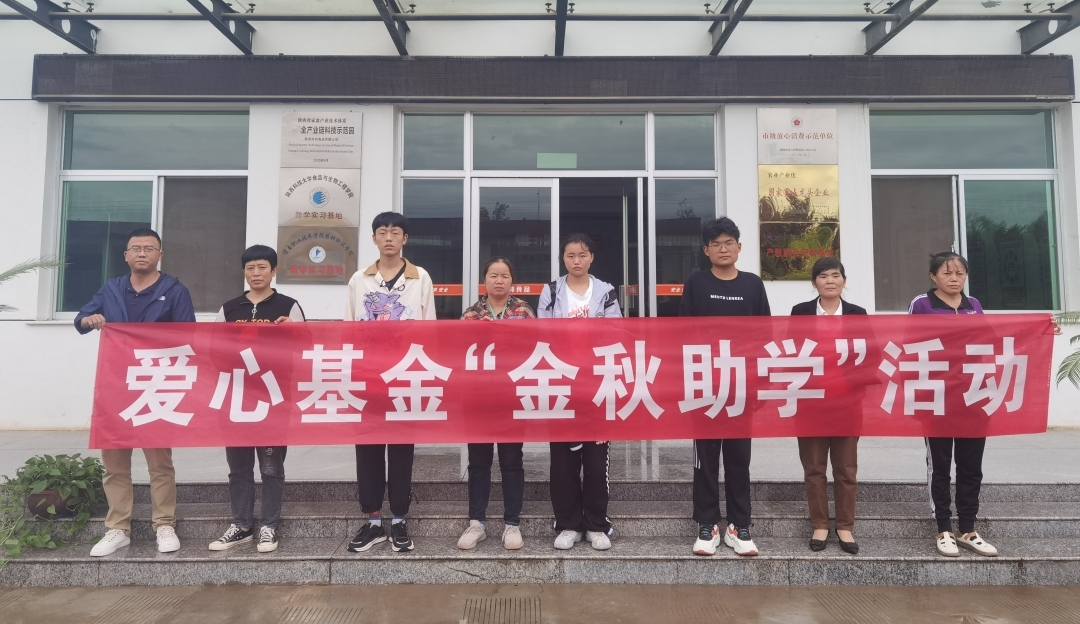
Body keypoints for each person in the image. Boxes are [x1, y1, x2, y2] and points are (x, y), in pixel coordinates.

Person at [74, 228, 195, 557]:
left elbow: (189, 336)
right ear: (126, 255)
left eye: (149, 248)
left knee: (159, 462)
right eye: (136, 248)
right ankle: (118, 528)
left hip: (156, 384)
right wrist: (89, 320)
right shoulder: (112, 288)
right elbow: (81, 318)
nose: (142, 253)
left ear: (160, 255)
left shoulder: (175, 291)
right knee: (114, 461)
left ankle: (164, 524)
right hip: (115, 385)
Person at [344, 212, 436, 554]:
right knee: (367, 447)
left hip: (405, 375)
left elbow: (429, 327)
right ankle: (372, 521)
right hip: (368, 376)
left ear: (404, 239)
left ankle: (398, 519)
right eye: (382, 232)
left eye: (395, 232)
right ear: (374, 239)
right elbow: (348, 327)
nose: (388, 238)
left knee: (401, 449)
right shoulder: (359, 279)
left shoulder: (420, 277)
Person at [680, 217, 769, 558]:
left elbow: (764, 335)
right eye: (715, 244)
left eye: (728, 242)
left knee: (738, 458)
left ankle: (739, 525)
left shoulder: (753, 284)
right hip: (705, 382)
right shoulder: (696, 283)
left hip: (741, 384)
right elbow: (683, 335)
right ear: (706, 251)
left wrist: (760, 382)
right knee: (705, 459)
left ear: (739, 247)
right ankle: (707, 524)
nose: (722, 248)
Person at [208, 244, 305, 554]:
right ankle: (241, 525)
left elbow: (306, 349)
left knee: (271, 466)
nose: (256, 273)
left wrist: (294, 332)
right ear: (244, 272)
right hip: (236, 398)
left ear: (274, 271)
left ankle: (269, 525)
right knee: (238, 466)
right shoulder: (229, 309)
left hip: (273, 399)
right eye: (250, 268)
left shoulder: (288, 306)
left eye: (263, 267)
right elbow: (214, 350)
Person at [909, 251, 997, 558]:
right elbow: (908, 343)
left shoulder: (974, 305)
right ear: (933, 277)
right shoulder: (922, 304)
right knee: (940, 466)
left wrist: (1041, 329)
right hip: (938, 397)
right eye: (947, 273)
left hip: (972, 395)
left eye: (960, 273)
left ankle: (968, 528)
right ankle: (944, 528)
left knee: (971, 466)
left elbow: (992, 341)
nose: (954, 278)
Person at [537, 233, 621, 551]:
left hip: (597, 383)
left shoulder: (606, 292)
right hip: (561, 383)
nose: (576, 261)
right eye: (570, 255)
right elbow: (542, 335)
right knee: (563, 461)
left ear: (592, 258)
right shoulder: (551, 291)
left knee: (596, 460)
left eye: (582, 255)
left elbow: (615, 332)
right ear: (563, 258)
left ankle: (597, 524)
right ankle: (568, 524)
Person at [456, 257, 535, 551]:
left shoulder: (524, 311)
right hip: (479, 398)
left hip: (512, 397)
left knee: (512, 461)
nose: (499, 280)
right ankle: (476, 523)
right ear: (485, 280)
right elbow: (459, 353)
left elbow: (535, 348)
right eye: (493, 275)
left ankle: (512, 523)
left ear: (512, 280)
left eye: (504, 275)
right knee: (478, 461)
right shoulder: (470, 314)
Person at [791, 257, 866, 555]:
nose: (830, 281)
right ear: (814, 283)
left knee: (846, 469)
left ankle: (845, 526)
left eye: (836, 275)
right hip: (811, 401)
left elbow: (869, 355)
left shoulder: (858, 314)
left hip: (847, 402)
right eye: (823, 276)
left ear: (844, 281)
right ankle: (820, 524)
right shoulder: (800, 312)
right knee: (814, 468)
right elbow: (791, 353)